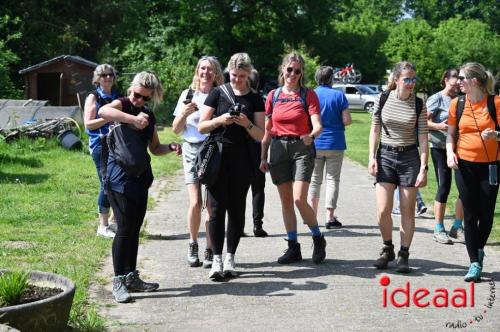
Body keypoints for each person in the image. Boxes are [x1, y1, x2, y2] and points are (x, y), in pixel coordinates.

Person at [99, 71, 182, 303]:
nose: (139, 101)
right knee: (124, 228)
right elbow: (103, 112)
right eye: (137, 95)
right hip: (118, 178)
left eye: (145, 98)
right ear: (130, 90)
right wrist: (132, 119)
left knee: (134, 229)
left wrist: (171, 147)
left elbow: (155, 148)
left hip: (140, 177)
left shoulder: (149, 115)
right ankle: (118, 281)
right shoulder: (122, 104)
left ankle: (132, 277)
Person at [199, 53, 265, 280]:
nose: (237, 80)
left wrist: (246, 123)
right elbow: (202, 127)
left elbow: (260, 134)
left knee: (237, 210)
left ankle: (230, 258)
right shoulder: (218, 93)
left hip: (243, 159)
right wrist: (221, 120)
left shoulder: (256, 99)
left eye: (242, 76)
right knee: (216, 209)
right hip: (219, 157)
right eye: (234, 75)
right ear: (229, 72)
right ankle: (216, 259)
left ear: (249, 75)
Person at [260, 52, 326, 265]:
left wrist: (312, 135)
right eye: (289, 69)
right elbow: (268, 130)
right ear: (283, 70)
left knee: (299, 198)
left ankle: (317, 237)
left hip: (301, 148)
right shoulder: (273, 96)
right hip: (278, 148)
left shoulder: (308, 95)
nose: (293, 74)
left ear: (302, 73)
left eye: (297, 71)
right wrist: (263, 156)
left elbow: (318, 125)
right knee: (286, 201)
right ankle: (293, 247)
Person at [368, 61, 429, 273]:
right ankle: (387, 249)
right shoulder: (383, 98)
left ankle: (404, 254)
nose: (411, 83)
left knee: (407, 210)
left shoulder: (419, 104)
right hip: (385, 155)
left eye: (413, 79)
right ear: (396, 80)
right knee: (383, 210)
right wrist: (371, 157)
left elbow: (423, 137)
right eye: (407, 79)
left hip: (409, 158)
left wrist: (423, 167)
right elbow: (374, 130)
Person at [446, 62, 500, 282]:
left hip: (491, 166)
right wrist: (450, 152)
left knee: (486, 215)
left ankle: (479, 249)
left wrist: (496, 135)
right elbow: (450, 134)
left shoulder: (496, 103)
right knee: (470, 213)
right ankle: (474, 263)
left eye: (462, 78)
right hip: (464, 165)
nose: (458, 82)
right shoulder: (456, 104)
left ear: (474, 81)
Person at [173, 56, 224, 268]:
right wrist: (184, 113)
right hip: (191, 149)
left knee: (211, 205)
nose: (206, 72)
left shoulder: (220, 94)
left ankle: (210, 248)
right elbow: (176, 129)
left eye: (210, 69)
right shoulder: (188, 94)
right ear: (197, 71)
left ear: (216, 73)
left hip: (212, 149)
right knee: (195, 202)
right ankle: (193, 242)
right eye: (202, 68)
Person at [307, 66, 351, 229]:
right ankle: (330, 217)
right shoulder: (339, 95)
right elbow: (346, 120)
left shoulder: (311, 94)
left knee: (314, 180)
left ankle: (311, 215)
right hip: (335, 142)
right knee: (333, 179)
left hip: (315, 142)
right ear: (331, 78)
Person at [427, 69, 464, 244]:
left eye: (460, 78)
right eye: (455, 77)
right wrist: (437, 126)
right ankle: (438, 228)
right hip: (440, 148)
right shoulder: (437, 98)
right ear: (446, 79)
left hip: (461, 149)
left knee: (464, 188)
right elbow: (422, 121)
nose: (458, 81)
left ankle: (457, 227)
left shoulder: (462, 99)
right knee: (444, 187)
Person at [84, 64, 121, 238]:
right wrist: (107, 116)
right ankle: (102, 226)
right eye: (104, 75)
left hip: (118, 144)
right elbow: (88, 124)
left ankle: (114, 221)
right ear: (97, 78)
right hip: (100, 145)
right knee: (106, 183)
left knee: (119, 181)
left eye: (110, 74)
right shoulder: (93, 97)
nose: (108, 78)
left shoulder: (117, 96)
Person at [248, 68, 268, 237]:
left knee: (238, 189)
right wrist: (264, 156)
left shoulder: (238, 98)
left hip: (241, 148)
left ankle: (238, 225)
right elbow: (265, 132)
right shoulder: (260, 100)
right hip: (257, 148)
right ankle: (257, 225)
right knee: (258, 188)